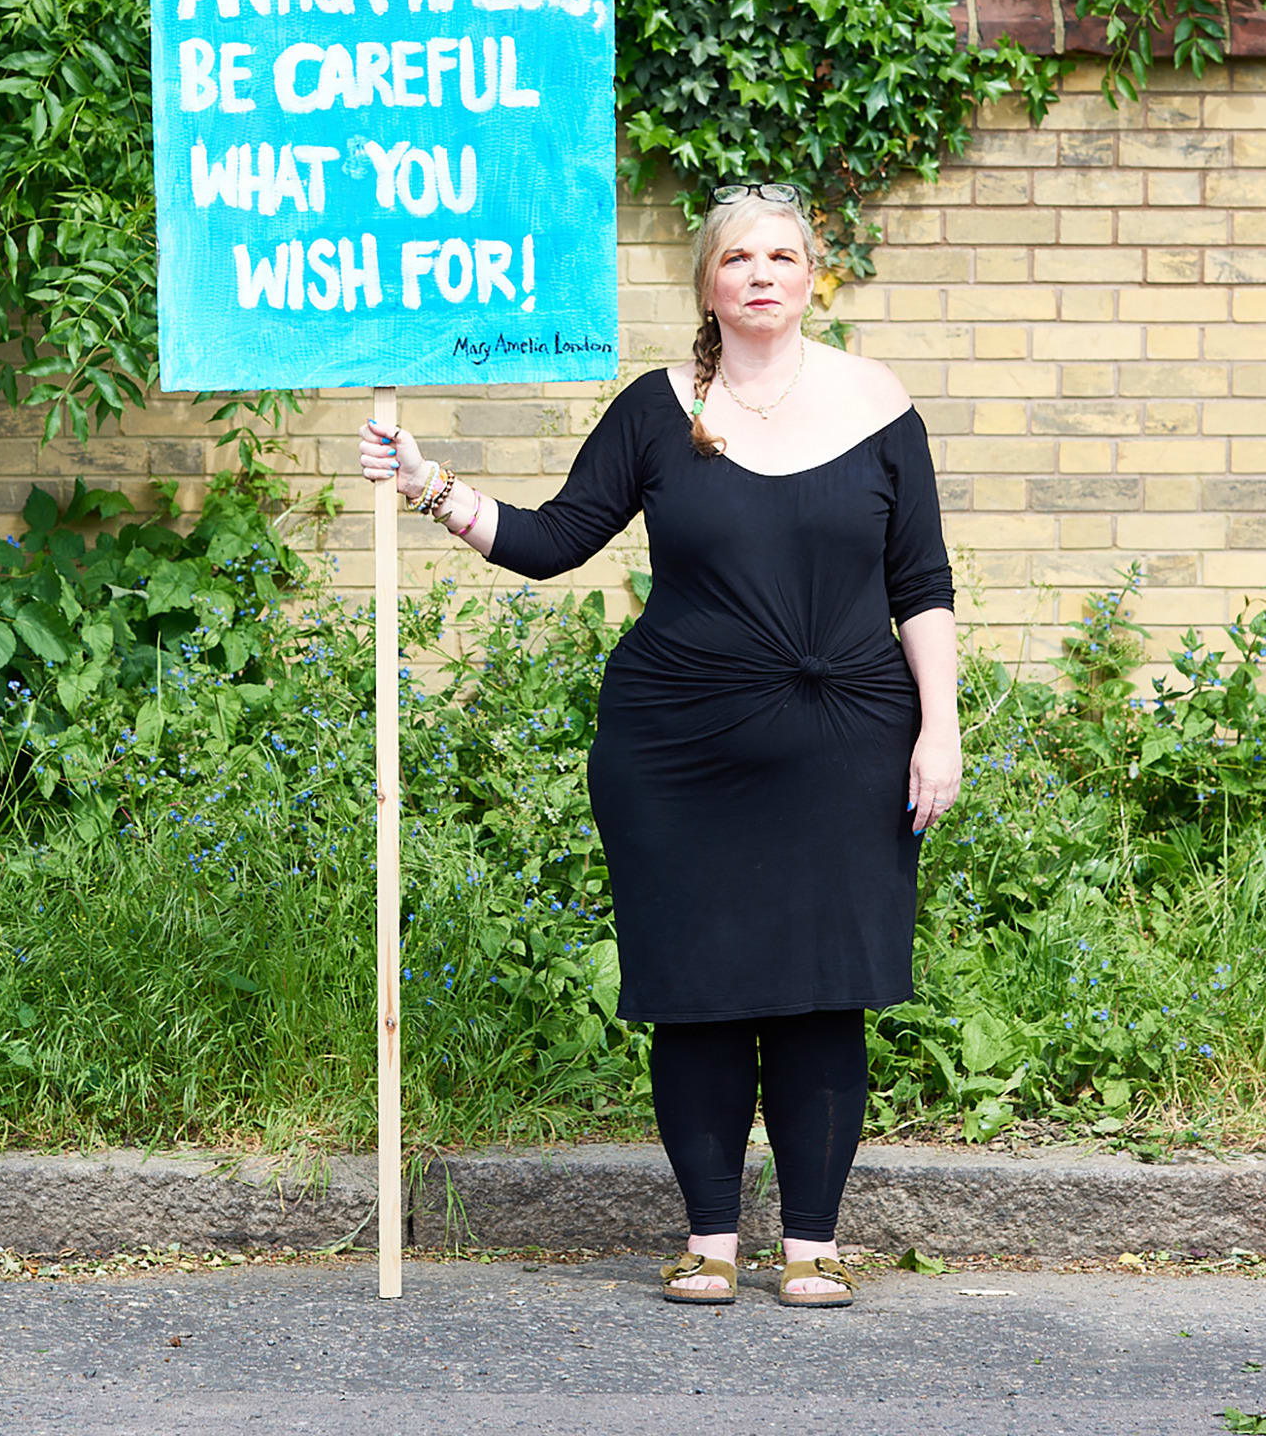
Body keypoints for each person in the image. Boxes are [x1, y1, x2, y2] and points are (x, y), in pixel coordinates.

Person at [358, 181, 961, 1306]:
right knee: (698, 990)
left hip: (848, 742)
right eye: (739, 258)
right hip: (678, 748)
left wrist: (942, 727)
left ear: (811, 274)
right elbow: (549, 542)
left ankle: (816, 1249)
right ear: (707, 283)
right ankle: (709, 1242)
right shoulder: (656, 409)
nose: (763, 274)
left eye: (783, 255)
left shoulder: (876, 402)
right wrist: (427, 484)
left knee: (822, 993)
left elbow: (920, 584)